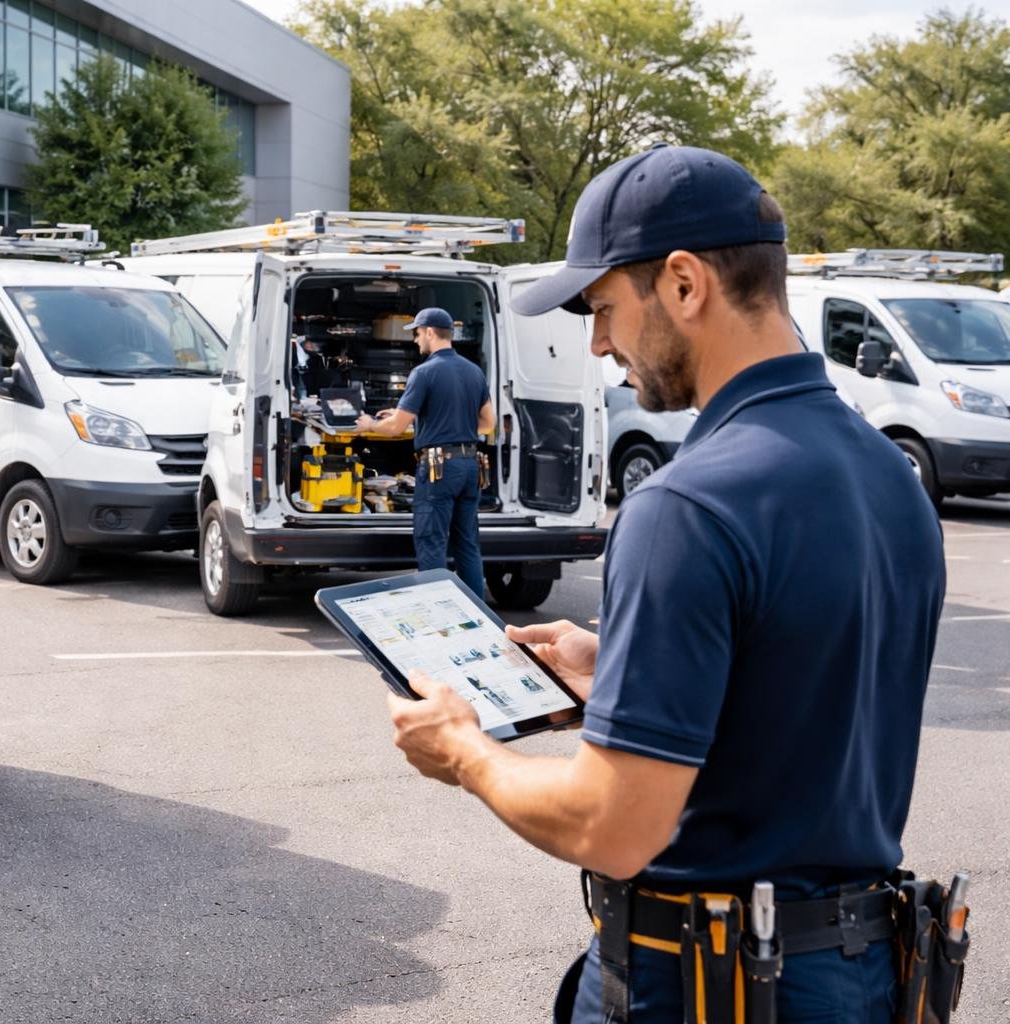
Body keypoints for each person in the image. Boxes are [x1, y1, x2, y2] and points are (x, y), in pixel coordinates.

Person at [383, 146, 946, 1022]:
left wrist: (464, 752)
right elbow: (806, 687)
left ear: (684, 285)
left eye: (604, 307)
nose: (600, 344)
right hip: (861, 978)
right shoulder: (890, 478)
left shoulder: (685, 504)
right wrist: (621, 666)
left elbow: (612, 826)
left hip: (709, 987)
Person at [356, 307, 496, 598]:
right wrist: (435, 420)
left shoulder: (424, 372)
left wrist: (369, 423)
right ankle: (477, 614)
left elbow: (395, 427)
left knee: (431, 541)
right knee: (467, 543)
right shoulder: (474, 371)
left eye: (418, 333)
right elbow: (488, 424)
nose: (416, 340)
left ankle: (438, 613)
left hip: (438, 470)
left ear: (430, 332)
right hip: (470, 466)